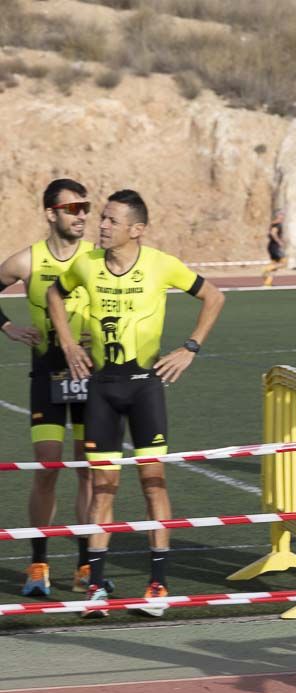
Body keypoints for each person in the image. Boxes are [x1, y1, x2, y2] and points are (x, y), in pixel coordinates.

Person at [48, 189, 225, 618]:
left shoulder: (161, 264)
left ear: (137, 229)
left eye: (110, 220)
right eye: (102, 218)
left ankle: (158, 586)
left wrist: (189, 348)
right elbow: (55, 295)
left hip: (146, 385)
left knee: (153, 484)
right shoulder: (86, 262)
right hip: (102, 388)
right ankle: (95, 590)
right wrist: (69, 343)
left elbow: (214, 297)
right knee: (102, 489)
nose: (101, 225)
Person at [0, 178, 95, 596]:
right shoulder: (26, 262)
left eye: (85, 208)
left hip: (93, 374)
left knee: (90, 469)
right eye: (73, 208)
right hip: (48, 374)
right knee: (47, 468)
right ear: (51, 213)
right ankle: (38, 564)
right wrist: (8, 327)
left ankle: (87, 565)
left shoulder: (99, 258)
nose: (82, 216)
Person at [262, 210, 286, 286]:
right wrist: (279, 242)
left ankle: (267, 283)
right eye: (281, 214)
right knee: (284, 263)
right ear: (277, 215)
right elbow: (273, 233)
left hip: (271, 246)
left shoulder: (273, 223)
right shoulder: (277, 224)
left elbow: (269, 233)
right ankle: (266, 269)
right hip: (275, 247)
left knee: (275, 265)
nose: (283, 216)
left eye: (283, 214)